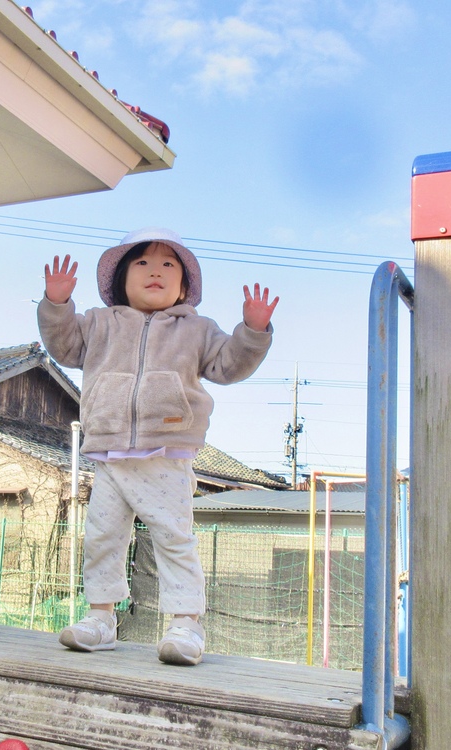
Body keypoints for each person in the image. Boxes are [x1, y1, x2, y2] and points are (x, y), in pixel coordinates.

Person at [37, 227, 278, 665]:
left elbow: (228, 365)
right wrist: (57, 305)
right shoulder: (99, 323)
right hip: (109, 451)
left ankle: (186, 622)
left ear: (184, 287)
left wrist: (253, 331)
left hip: (165, 451)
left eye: (169, 265)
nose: (156, 272)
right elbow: (64, 345)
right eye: (143, 263)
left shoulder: (197, 330)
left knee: (172, 537)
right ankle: (101, 617)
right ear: (120, 282)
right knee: (103, 536)